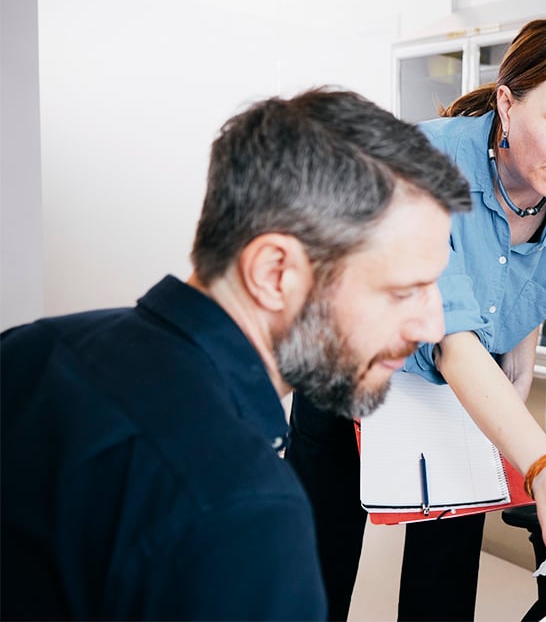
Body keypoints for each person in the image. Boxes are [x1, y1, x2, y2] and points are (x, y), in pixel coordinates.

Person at [0, 87, 471, 620]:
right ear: (274, 273)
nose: (433, 326)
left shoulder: (30, 348)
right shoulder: (245, 512)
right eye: (405, 290)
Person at [284, 13, 546, 621]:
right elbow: (451, 339)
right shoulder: (422, 162)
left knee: (446, 575)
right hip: (354, 370)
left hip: (453, 388)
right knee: (319, 563)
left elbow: (534, 295)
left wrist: (519, 371)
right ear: (507, 103)